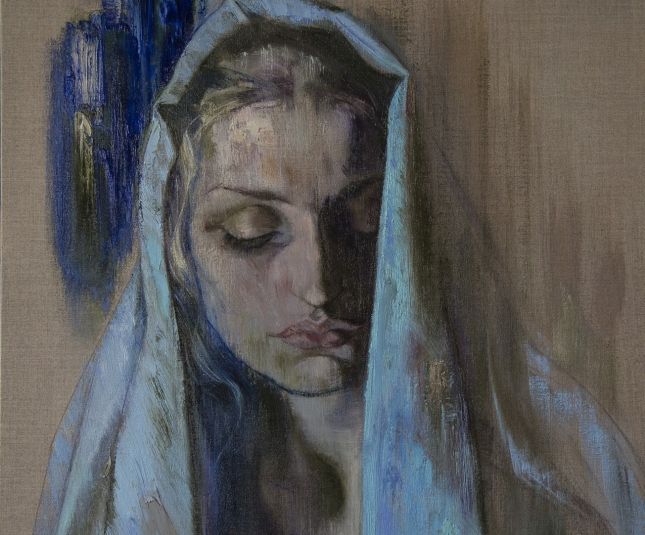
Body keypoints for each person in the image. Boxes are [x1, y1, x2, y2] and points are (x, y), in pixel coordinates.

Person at [36, 1, 644, 534]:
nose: (320, 283)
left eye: (365, 218)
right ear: (176, 249)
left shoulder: (531, 506)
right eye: (252, 231)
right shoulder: (131, 504)